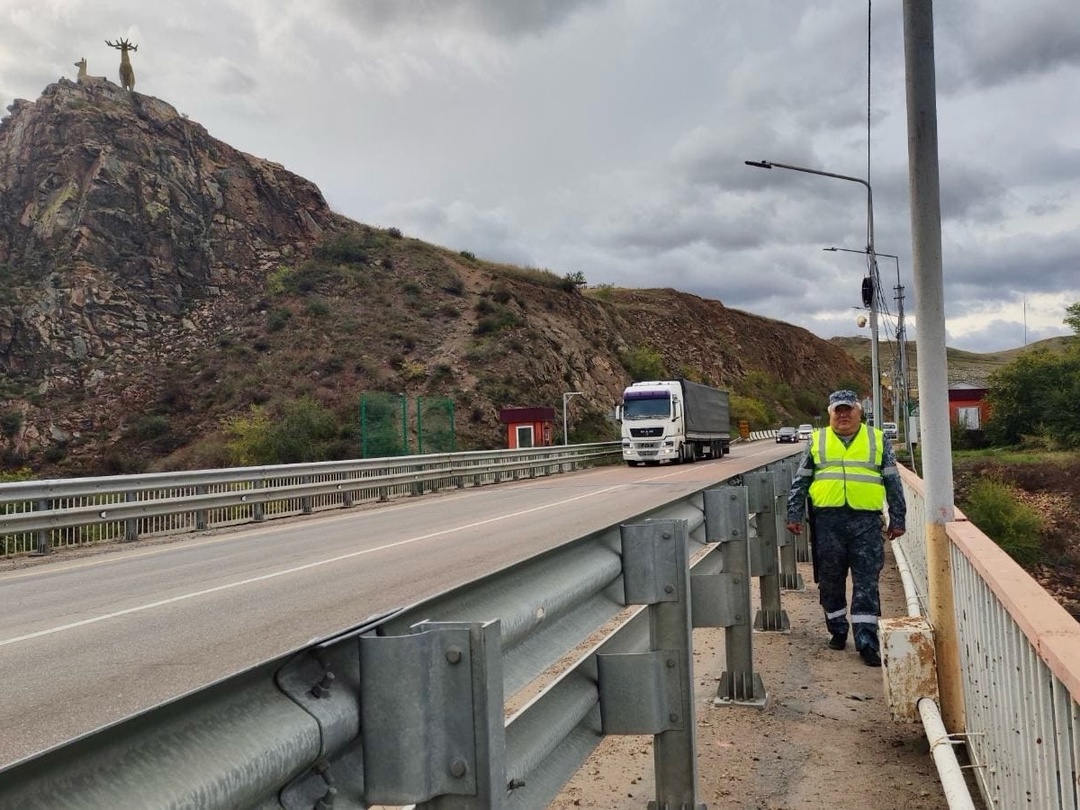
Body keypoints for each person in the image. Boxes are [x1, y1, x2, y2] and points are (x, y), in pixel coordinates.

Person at [785, 390, 906, 667]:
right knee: (830, 580)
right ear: (829, 413)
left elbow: (893, 480)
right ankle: (837, 629)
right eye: (837, 410)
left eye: (848, 409)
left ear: (859, 411)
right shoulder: (817, 440)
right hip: (827, 522)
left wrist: (897, 518)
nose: (843, 415)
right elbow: (801, 480)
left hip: (865, 522)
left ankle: (866, 641)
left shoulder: (877, 439)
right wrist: (794, 513)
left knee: (866, 583)